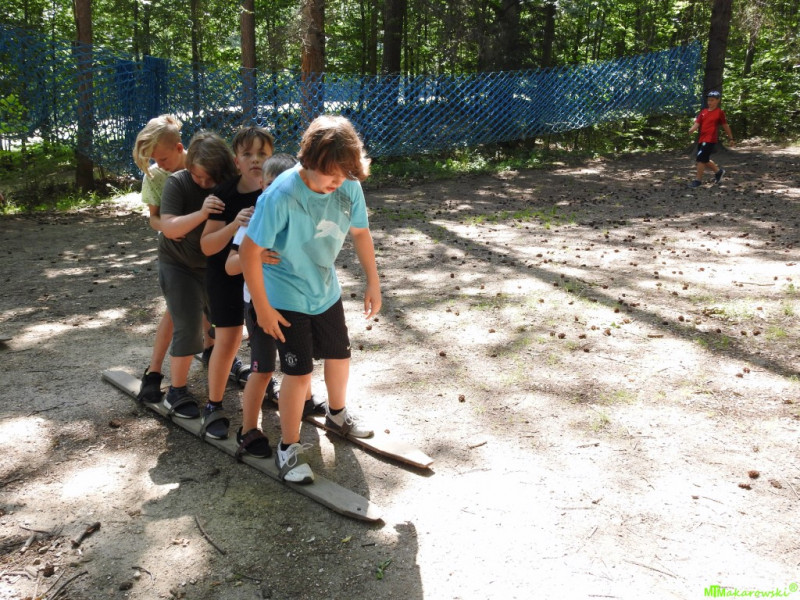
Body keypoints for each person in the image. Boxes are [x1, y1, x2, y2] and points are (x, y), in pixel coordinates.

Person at [240, 115, 381, 483]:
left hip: (324, 288)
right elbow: (249, 252)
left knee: (339, 355)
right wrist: (262, 307)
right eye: (331, 175)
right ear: (309, 161)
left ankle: (337, 415)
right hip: (284, 294)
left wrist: (373, 281)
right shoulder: (280, 195)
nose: (338, 182)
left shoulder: (347, 184)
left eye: (344, 175)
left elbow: (361, 233)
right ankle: (288, 448)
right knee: (299, 372)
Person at [225, 153, 325, 458]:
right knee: (264, 369)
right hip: (260, 307)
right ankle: (248, 429)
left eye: (281, 186)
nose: (274, 191)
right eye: (269, 185)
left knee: (300, 363)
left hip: (293, 302)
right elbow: (230, 265)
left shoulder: (301, 216)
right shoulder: (255, 219)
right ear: (261, 184)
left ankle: (304, 401)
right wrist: (254, 256)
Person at [198, 127, 274, 439]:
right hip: (225, 276)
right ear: (236, 161)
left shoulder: (278, 190)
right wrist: (233, 224)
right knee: (228, 340)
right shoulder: (224, 195)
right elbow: (207, 246)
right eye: (248, 154)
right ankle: (213, 405)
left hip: (265, 277)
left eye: (262, 154)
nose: (255, 160)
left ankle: (278, 387)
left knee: (268, 336)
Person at [131, 115, 212, 403]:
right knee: (178, 312)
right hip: (177, 255)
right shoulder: (155, 176)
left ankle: (212, 352)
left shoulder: (203, 166)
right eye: (154, 159)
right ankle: (154, 372)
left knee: (206, 305)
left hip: (207, 252)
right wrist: (169, 227)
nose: (159, 164)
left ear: (180, 148)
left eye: (163, 158)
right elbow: (153, 218)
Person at [158, 131, 238, 420]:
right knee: (189, 324)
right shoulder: (178, 182)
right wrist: (202, 213)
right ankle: (176, 390)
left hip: (217, 265)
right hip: (178, 264)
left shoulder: (233, 184)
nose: (203, 183)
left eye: (209, 178)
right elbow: (169, 227)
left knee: (225, 323)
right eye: (198, 176)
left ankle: (220, 360)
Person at [688, 90, 735, 188]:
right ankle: (718, 172)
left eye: (712, 100)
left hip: (710, 139)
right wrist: (692, 129)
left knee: (700, 159)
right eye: (709, 100)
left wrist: (731, 138)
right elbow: (697, 123)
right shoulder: (703, 112)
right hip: (702, 139)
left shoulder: (719, 113)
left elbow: (725, 126)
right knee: (704, 159)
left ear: (718, 100)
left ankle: (698, 181)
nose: (709, 102)